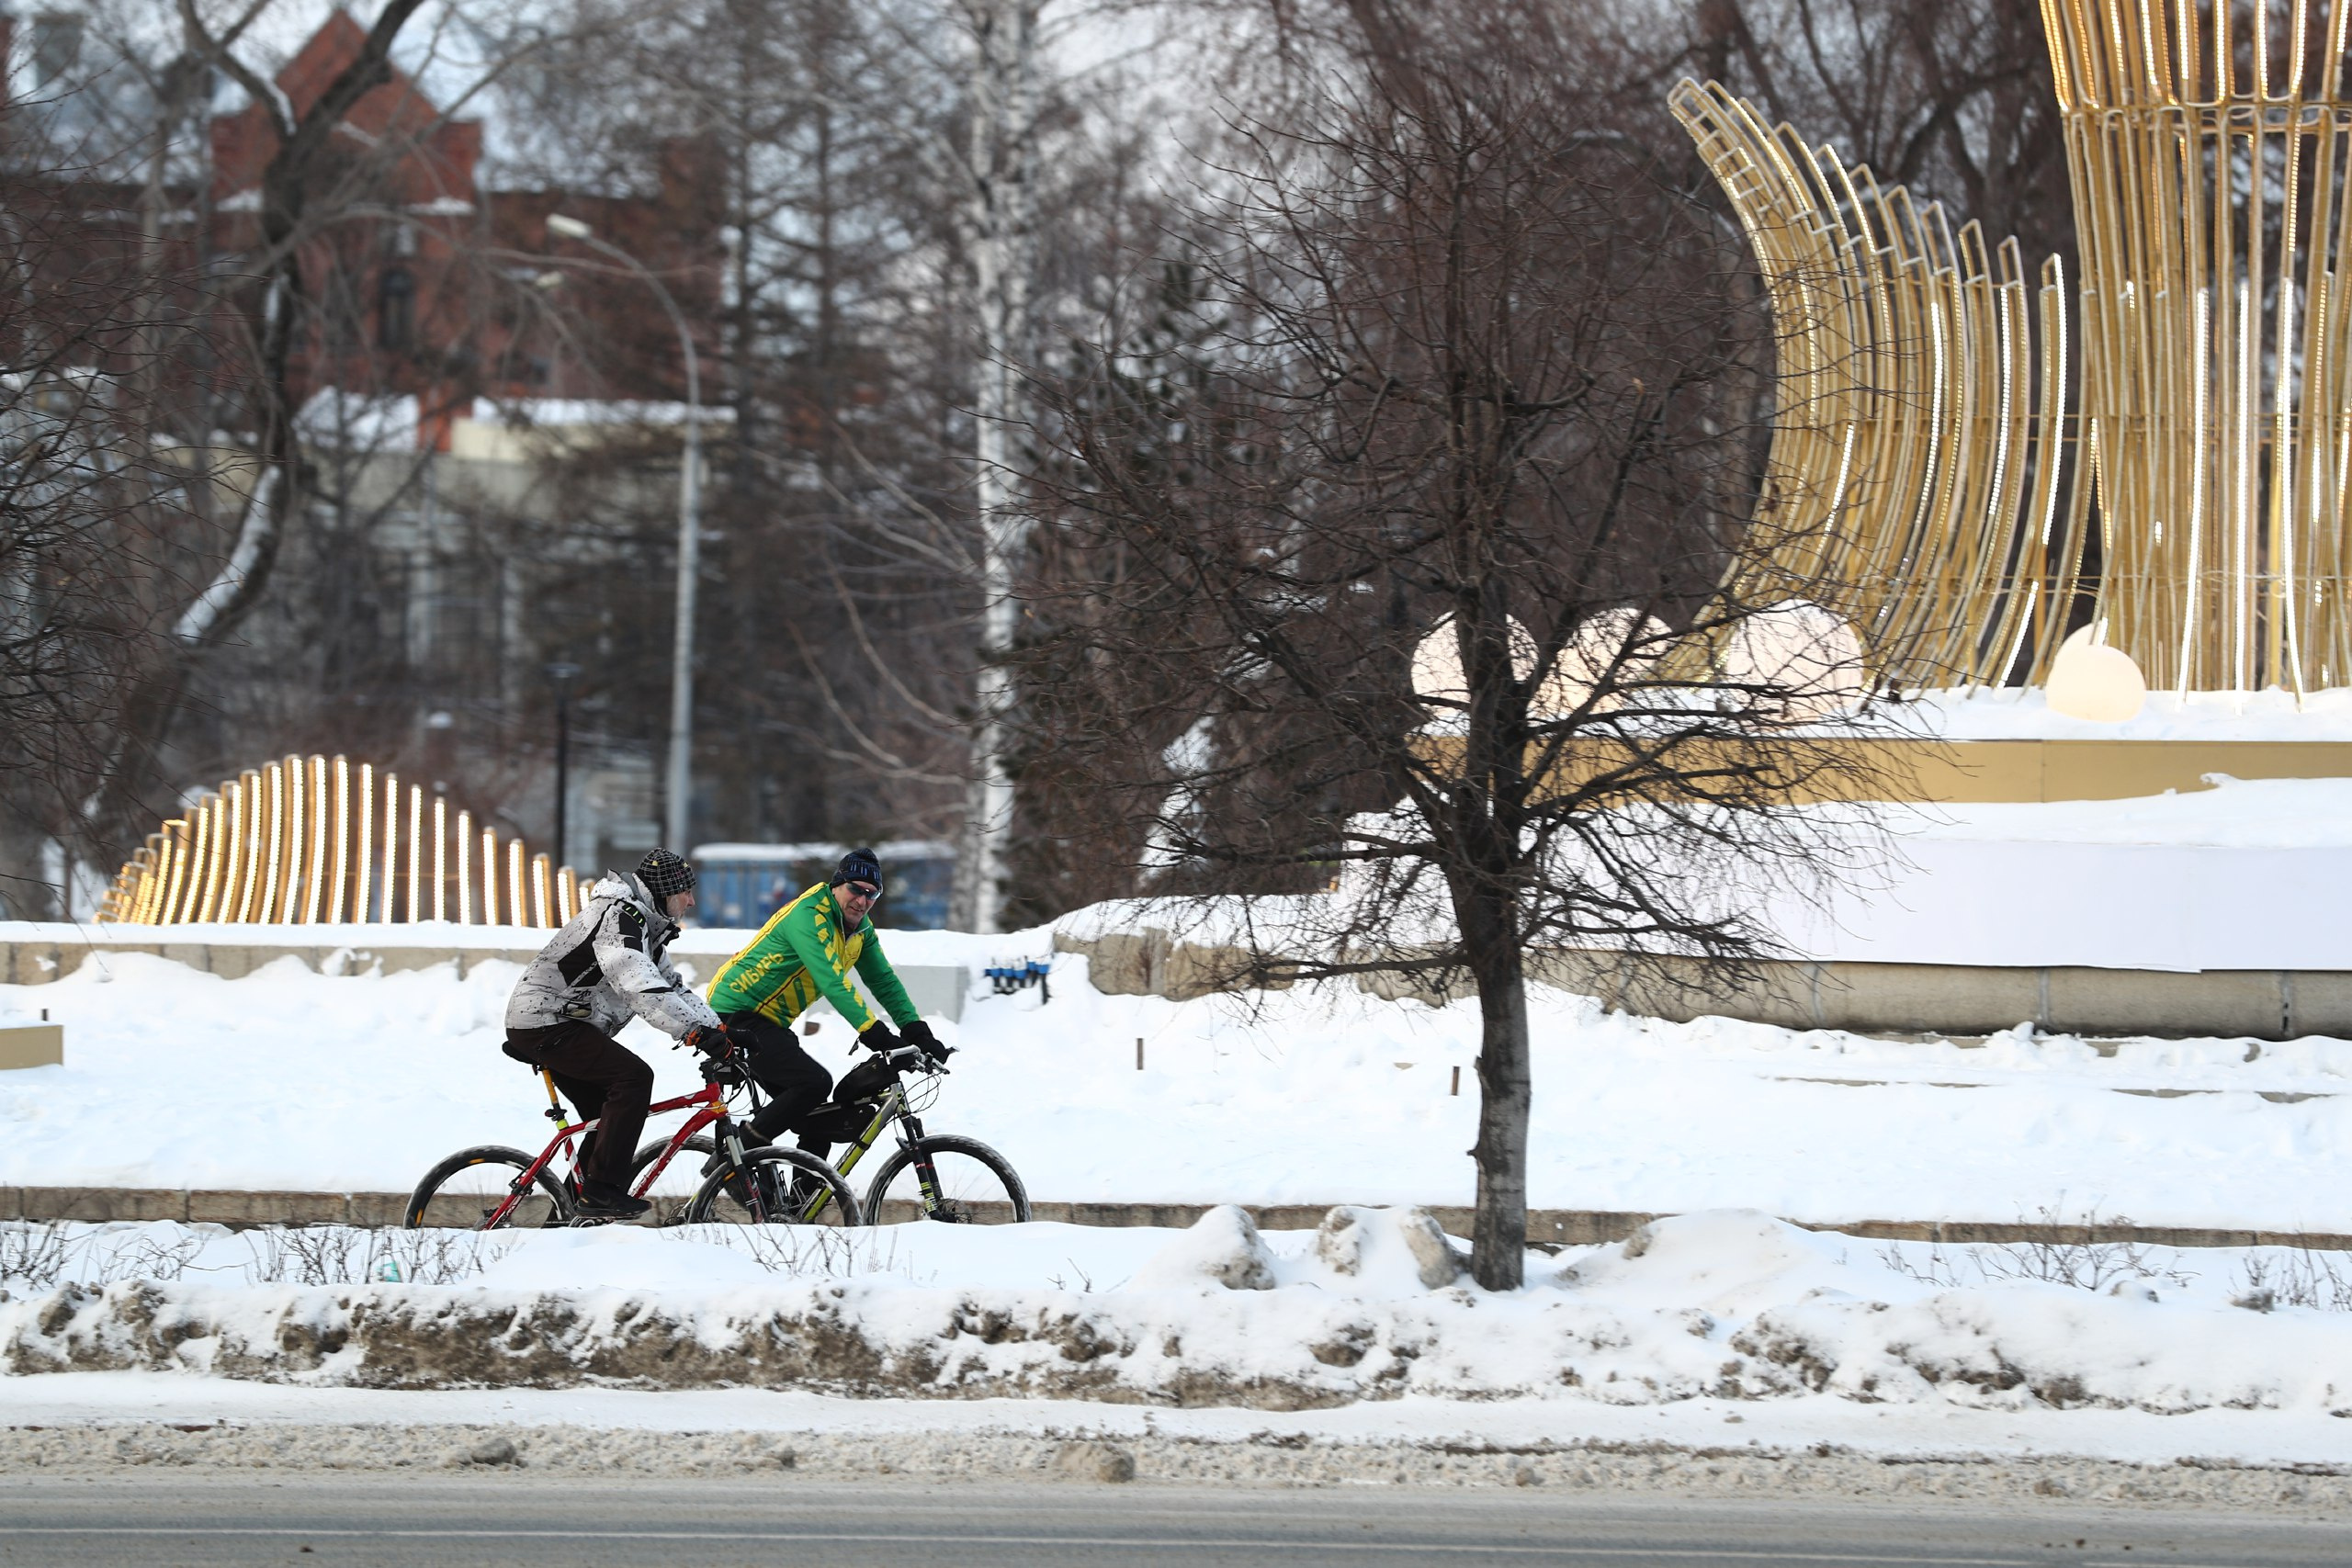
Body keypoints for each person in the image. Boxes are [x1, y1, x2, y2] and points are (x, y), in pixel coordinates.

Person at [503, 847, 727, 1218]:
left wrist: (720, 1029)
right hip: (544, 1020)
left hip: (562, 1023)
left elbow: (671, 985)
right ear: (664, 891)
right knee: (633, 1079)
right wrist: (694, 1034)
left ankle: (574, 1213)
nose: (691, 901)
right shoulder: (619, 917)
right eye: (685, 891)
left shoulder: (644, 925)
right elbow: (637, 983)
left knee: (604, 1113)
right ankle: (602, 1192)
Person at [702, 847, 946, 1169]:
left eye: (872, 894)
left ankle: (802, 1204)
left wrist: (917, 1031)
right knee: (813, 1083)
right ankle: (731, 1162)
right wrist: (877, 1035)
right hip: (736, 1012)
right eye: (856, 890)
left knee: (817, 1117)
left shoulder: (861, 930)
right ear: (837, 885)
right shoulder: (809, 915)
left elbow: (884, 981)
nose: (862, 901)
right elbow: (833, 982)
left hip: (771, 1022)